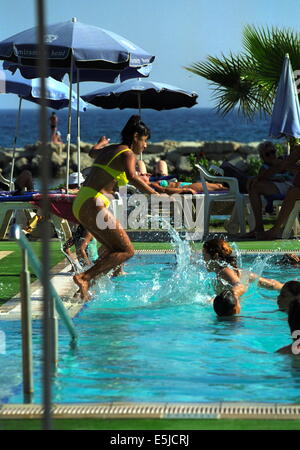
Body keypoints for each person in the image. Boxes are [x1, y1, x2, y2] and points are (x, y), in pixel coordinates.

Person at [72, 115, 166, 300]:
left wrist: (100, 144)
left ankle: (83, 288)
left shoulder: (110, 149)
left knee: (110, 249)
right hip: (93, 202)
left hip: (82, 201)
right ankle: (84, 278)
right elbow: (132, 177)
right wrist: (154, 195)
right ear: (136, 137)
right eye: (145, 140)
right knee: (127, 251)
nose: (145, 146)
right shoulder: (127, 153)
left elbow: (92, 153)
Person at [202, 238, 283, 316]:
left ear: (215, 256)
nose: (203, 259)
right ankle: (286, 287)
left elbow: (239, 285)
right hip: (243, 274)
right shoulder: (227, 270)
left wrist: (234, 295)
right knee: (271, 284)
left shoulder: (223, 271)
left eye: (204, 255)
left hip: (236, 302)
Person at [242, 141, 294, 238]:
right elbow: (263, 176)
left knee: (255, 187)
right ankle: (258, 228)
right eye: (267, 154)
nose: (271, 155)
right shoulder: (265, 167)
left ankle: (258, 228)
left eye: (273, 152)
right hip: (277, 186)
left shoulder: (284, 160)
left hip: (289, 186)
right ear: (262, 157)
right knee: (254, 187)